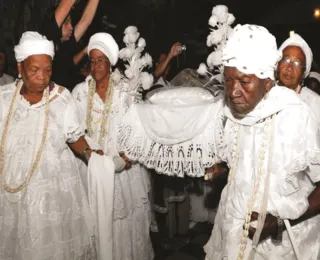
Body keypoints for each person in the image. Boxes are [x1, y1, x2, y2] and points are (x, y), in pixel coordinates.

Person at [204, 24, 320, 259]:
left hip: (284, 237)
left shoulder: (303, 112)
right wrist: (225, 167)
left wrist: (279, 222)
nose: (234, 91)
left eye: (244, 81)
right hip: (236, 227)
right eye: (229, 80)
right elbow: (250, 160)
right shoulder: (240, 105)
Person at [0, 31, 97, 259]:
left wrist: (93, 155)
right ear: (20, 67)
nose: (42, 77)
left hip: (52, 195)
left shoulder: (62, 99)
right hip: (12, 194)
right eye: (34, 70)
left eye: (48, 69)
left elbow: (75, 138)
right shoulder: (3, 99)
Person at [72, 32, 154, 260]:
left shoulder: (124, 91)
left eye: (101, 60)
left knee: (122, 227)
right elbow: (73, 131)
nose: (96, 65)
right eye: (93, 60)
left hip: (123, 172)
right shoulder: (79, 92)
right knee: (95, 225)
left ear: (110, 63)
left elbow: (137, 129)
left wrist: (124, 157)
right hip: (91, 170)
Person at [41, 0, 99, 90]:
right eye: (66, 23)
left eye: (70, 22)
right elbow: (66, 5)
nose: (71, 27)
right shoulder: (47, 41)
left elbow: (85, 20)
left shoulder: (65, 46)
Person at [278, 34, 320, 121]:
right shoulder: (262, 96)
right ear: (277, 64)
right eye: (286, 60)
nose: (289, 68)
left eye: (297, 63)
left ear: (303, 73)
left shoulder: (315, 103)